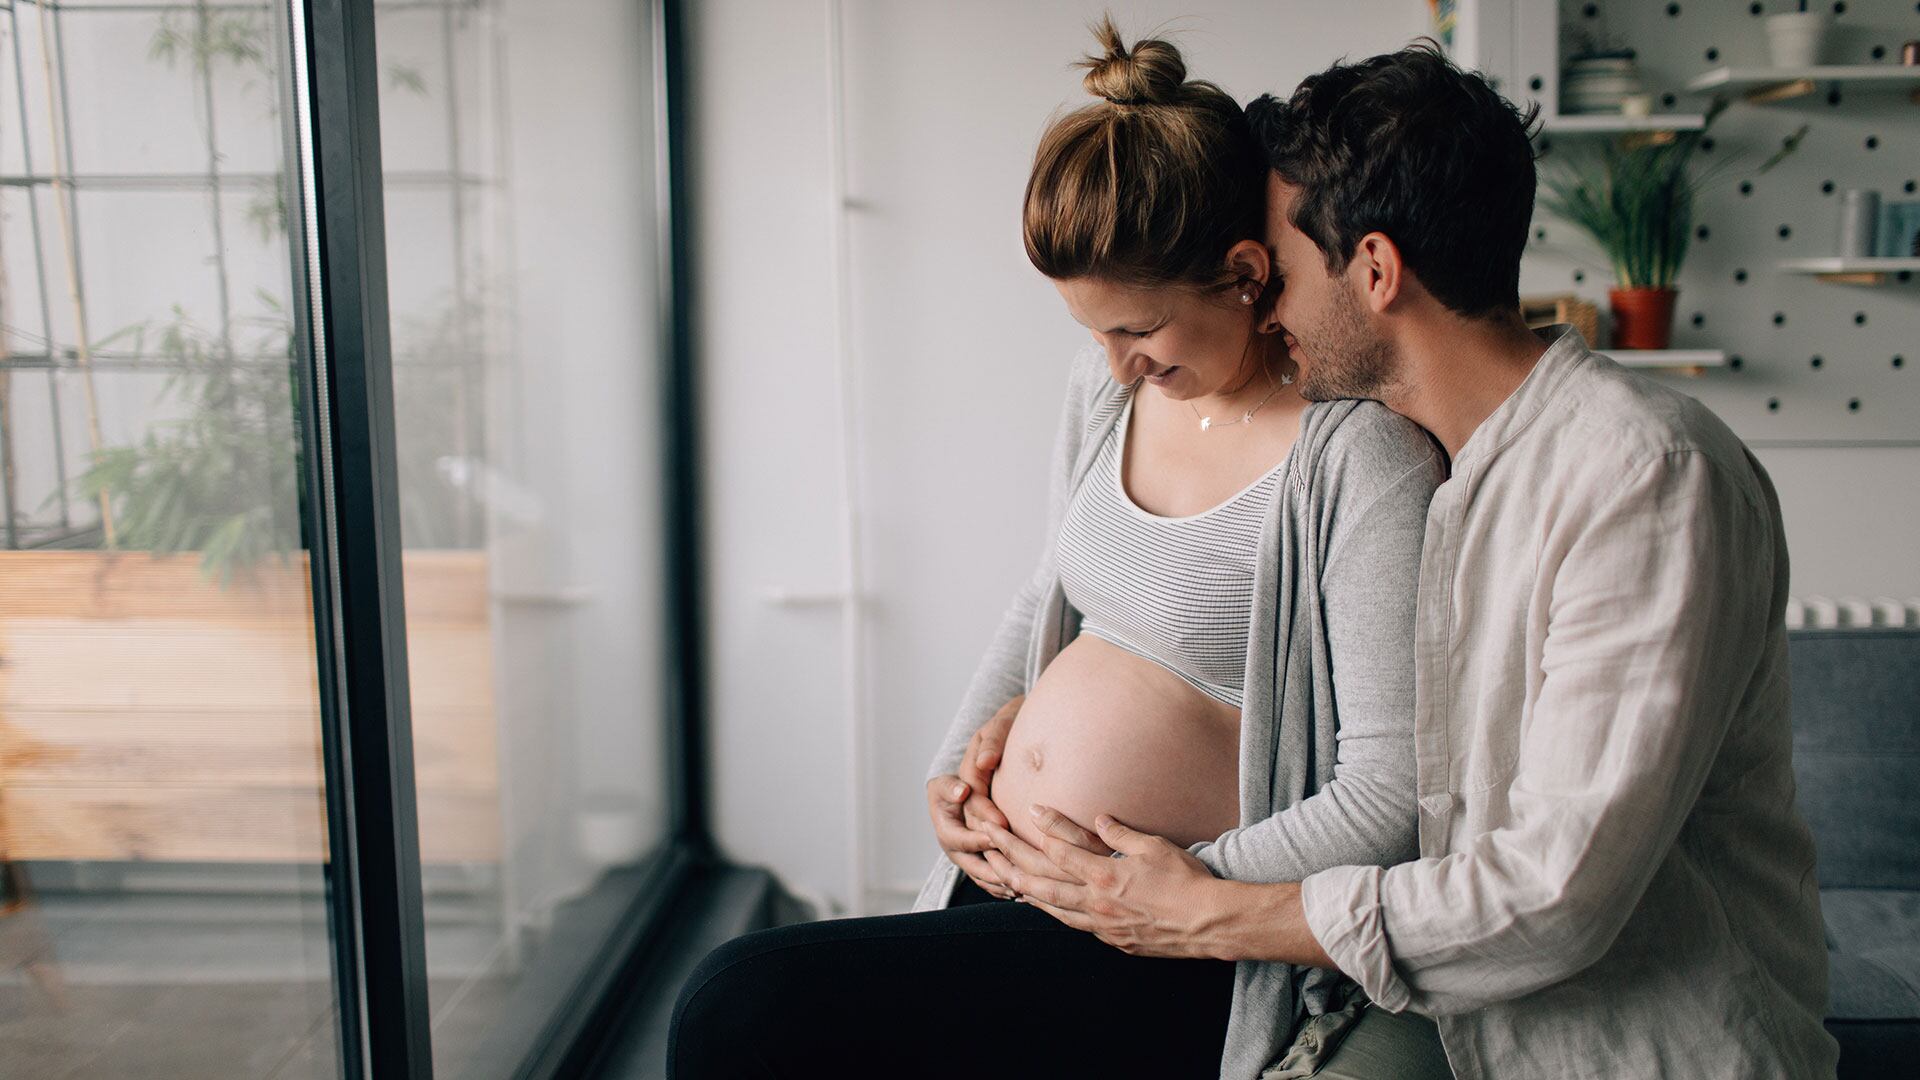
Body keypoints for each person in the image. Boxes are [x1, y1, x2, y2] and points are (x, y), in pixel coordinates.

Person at [989, 43, 1840, 1080]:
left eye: (1283, 270)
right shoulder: (1445, 467)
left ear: (1377, 272)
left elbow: (1552, 895)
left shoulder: (1641, 476)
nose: (1264, 303)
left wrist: (1207, 906)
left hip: (1626, 1049)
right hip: (1438, 1009)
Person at [668, 21, 1444, 1080]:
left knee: (739, 1006)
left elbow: (1388, 793)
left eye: (1138, 330)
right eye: (1093, 334)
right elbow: (1050, 587)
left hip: (1165, 945)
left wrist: (1177, 888)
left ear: (1247, 273)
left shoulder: (1358, 457)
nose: (1117, 365)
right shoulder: (1105, 393)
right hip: (1035, 890)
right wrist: (951, 776)